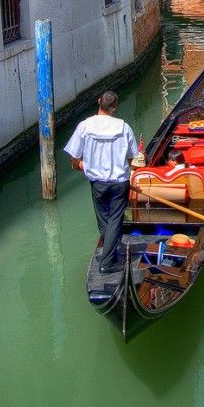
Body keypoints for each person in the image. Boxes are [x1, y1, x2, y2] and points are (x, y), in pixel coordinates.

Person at [64, 90, 138, 274]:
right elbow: (132, 157)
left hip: (97, 183)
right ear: (115, 107)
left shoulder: (85, 126)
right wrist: (125, 167)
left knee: (104, 219)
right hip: (119, 183)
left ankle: (108, 254)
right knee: (114, 220)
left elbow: (73, 156)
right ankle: (107, 261)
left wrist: (80, 165)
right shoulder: (124, 127)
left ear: (99, 102)